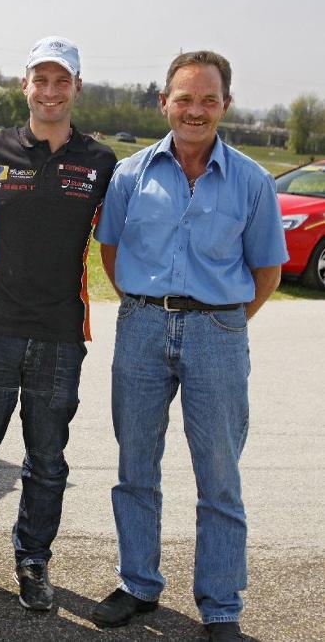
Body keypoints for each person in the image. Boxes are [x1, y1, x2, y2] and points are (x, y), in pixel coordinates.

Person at [91, 51, 287, 642]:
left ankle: (221, 606)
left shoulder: (252, 181)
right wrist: (149, 308)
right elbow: (111, 254)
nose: (195, 110)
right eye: (184, 98)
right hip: (143, 327)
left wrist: (221, 319)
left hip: (218, 333)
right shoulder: (131, 175)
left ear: (225, 104)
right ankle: (138, 584)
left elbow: (267, 273)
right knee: (135, 466)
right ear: (164, 102)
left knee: (219, 475)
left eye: (207, 99)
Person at [0, 37, 117, 610]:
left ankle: (33, 560)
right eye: (42, 79)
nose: (51, 91)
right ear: (25, 85)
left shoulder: (101, 162)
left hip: (62, 336)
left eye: (63, 81)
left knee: (48, 463)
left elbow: (122, 238)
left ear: (77, 88)